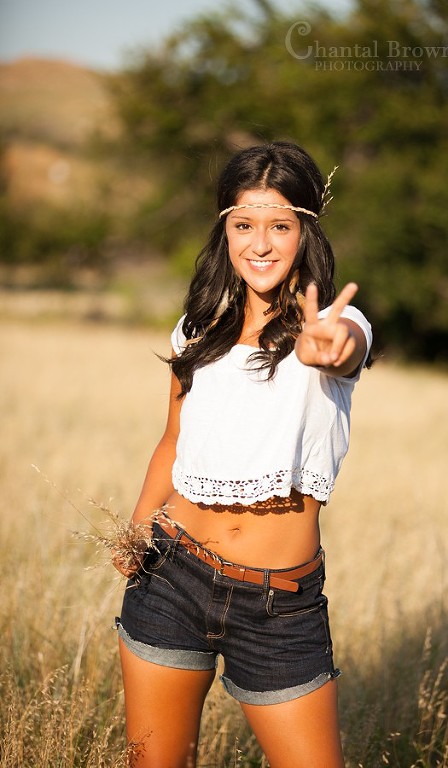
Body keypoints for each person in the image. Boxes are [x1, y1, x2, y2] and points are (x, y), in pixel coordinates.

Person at [112, 141, 373, 767]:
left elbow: (343, 348)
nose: (260, 244)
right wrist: (138, 526)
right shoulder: (197, 329)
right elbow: (173, 439)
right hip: (171, 577)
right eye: (244, 225)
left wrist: (328, 343)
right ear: (224, 231)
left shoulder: (338, 327)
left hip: (277, 605)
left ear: (305, 232)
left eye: (280, 226)